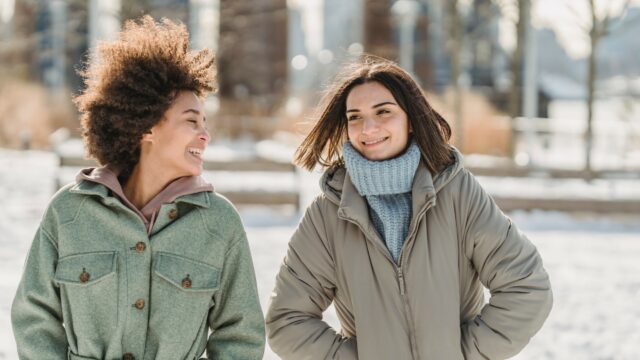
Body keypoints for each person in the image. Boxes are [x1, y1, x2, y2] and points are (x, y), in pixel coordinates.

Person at [265, 57, 553, 359]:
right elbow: (287, 320)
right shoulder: (327, 214)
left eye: (383, 112)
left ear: (411, 118)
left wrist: (464, 354)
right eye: (355, 117)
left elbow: (527, 287)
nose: (369, 127)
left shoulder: (456, 192)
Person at [11, 16, 264, 360]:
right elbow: (34, 317)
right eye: (191, 121)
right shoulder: (69, 213)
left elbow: (241, 334)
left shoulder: (218, 223)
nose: (204, 135)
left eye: (205, 124)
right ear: (146, 128)